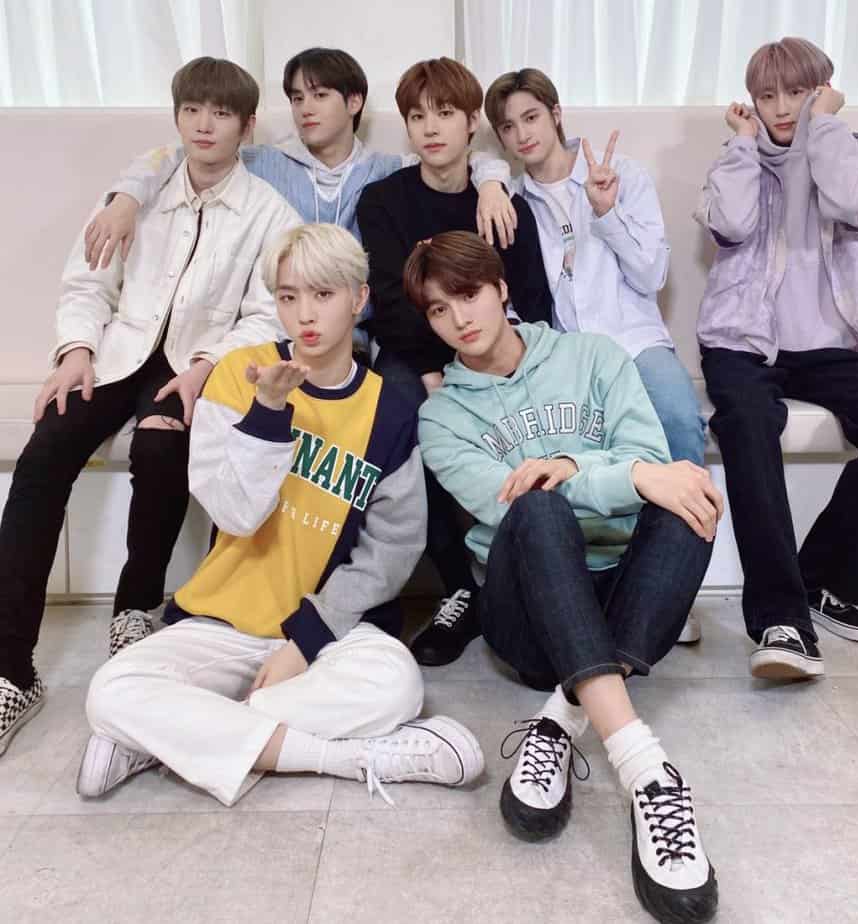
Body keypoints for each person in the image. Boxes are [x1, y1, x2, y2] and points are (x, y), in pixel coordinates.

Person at [77, 223, 484, 806]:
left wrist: (306, 640)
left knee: (397, 684)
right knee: (110, 689)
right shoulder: (238, 374)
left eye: (323, 294)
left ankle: (168, 735)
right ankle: (352, 759)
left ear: (359, 298)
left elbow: (392, 550)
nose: (305, 314)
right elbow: (235, 514)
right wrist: (268, 412)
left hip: (329, 631)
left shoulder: (390, 410)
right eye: (289, 296)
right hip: (223, 622)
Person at [408, 230, 720, 923]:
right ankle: (645, 770)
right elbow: (513, 501)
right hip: (526, 614)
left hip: (617, 595)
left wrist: (581, 467)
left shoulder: (594, 356)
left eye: (469, 294)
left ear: (502, 289)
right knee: (538, 508)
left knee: (688, 497)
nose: (459, 318)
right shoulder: (441, 418)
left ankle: (562, 717)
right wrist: (618, 476)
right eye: (438, 309)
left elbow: (651, 462)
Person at [0, 57, 303, 756]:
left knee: (162, 446)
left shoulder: (270, 213)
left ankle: (134, 609)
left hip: (194, 361)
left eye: (221, 113)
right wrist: (76, 348)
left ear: (247, 125)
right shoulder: (136, 194)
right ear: (177, 117)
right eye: (192, 110)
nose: (204, 124)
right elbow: (88, 283)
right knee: (43, 458)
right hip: (115, 353)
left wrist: (207, 366)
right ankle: (11, 668)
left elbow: (267, 314)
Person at [696, 36, 858, 680]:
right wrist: (743, 146)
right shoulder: (737, 157)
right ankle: (781, 620)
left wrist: (822, 127)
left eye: (796, 92)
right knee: (747, 423)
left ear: (821, 91)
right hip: (741, 341)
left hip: (828, 346)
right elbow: (730, 225)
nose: (781, 107)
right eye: (767, 95)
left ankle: (823, 580)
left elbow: (854, 205)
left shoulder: (856, 152)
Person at [484, 67, 707, 644]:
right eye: (507, 127)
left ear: (556, 114)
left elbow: (652, 274)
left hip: (635, 341)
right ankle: (596, 588)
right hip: (568, 355)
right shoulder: (511, 203)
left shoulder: (622, 175)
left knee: (680, 422)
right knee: (562, 446)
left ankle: (672, 589)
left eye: (532, 117)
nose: (522, 134)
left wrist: (606, 213)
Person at [357, 58, 555, 667]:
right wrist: (431, 370)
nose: (430, 128)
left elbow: (532, 302)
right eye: (417, 116)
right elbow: (390, 305)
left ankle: (536, 579)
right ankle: (460, 588)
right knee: (400, 416)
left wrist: (484, 364)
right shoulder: (383, 201)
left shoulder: (500, 203)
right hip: (412, 355)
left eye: (445, 113)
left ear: (472, 122)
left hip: (492, 353)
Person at [83, 47, 516, 320]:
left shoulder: (386, 171)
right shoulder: (263, 162)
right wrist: (126, 198)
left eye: (319, 95)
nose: (305, 108)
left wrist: (493, 184)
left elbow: (454, 158)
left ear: (354, 102)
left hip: (357, 333)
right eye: (296, 97)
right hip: (274, 325)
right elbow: (179, 154)